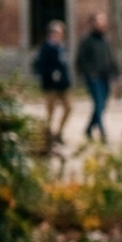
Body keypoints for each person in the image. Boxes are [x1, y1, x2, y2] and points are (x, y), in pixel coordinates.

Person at [75, 13, 119, 142]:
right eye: (100, 22)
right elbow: (80, 60)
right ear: (93, 23)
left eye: (104, 21)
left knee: (102, 105)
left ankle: (88, 129)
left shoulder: (106, 39)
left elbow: (111, 58)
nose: (103, 24)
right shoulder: (86, 41)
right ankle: (102, 132)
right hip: (94, 79)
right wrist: (89, 72)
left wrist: (117, 73)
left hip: (105, 77)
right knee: (98, 103)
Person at [33, 20, 72, 150]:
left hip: (63, 85)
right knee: (51, 111)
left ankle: (59, 132)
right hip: (50, 85)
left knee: (69, 108)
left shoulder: (61, 47)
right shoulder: (46, 47)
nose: (60, 35)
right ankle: (46, 137)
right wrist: (51, 73)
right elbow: (40, 65)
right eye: (57, 32)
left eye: (61, 33)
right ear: (51, 33)